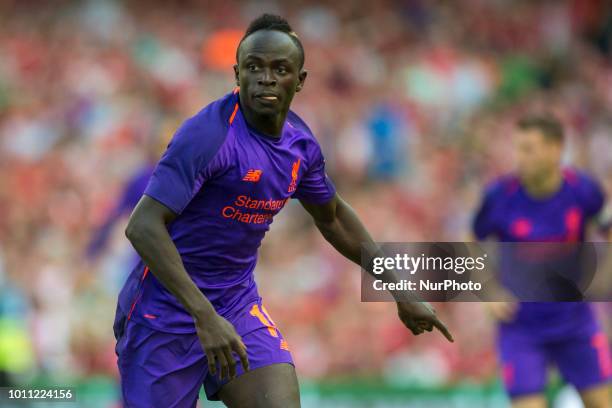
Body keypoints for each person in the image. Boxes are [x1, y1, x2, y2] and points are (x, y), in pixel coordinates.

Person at [114, 14, 453, 408]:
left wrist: (399, 288)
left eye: (280, 69)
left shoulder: (300, 146)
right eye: (254, 67)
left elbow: (334, 217)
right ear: (237, 73)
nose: (266, 78)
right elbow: (142, 226)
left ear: (301, 80)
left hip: (235, 303)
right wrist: (203, 315)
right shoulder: (206, 136)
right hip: (166, 313)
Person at [473, 114, 611, 408]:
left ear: (556, 149)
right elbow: (470, 239)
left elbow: (606, 225)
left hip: (575, 322)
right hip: (520, 326)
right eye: (518, 148)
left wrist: (603, 277)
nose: (520, 158)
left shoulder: (583, 191)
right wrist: (487, 289)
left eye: (529, 149)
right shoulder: (500, 196)